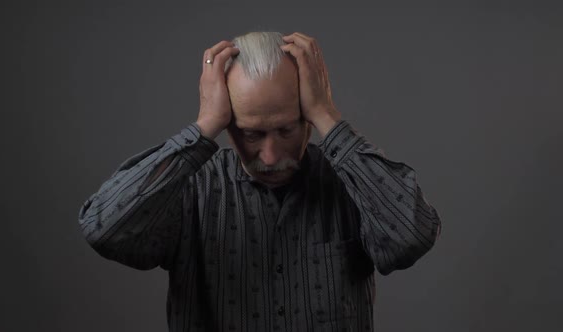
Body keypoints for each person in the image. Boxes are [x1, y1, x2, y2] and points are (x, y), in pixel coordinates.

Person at [78, 31, 442, 331]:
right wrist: (204, 127)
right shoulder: (191, 188)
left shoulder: (349, 183)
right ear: (228, 124)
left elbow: (411, 238)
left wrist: (328, 116)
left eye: (285, 129)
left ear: (307, 119)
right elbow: (106, 229)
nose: (269, 157)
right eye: (251, 134)